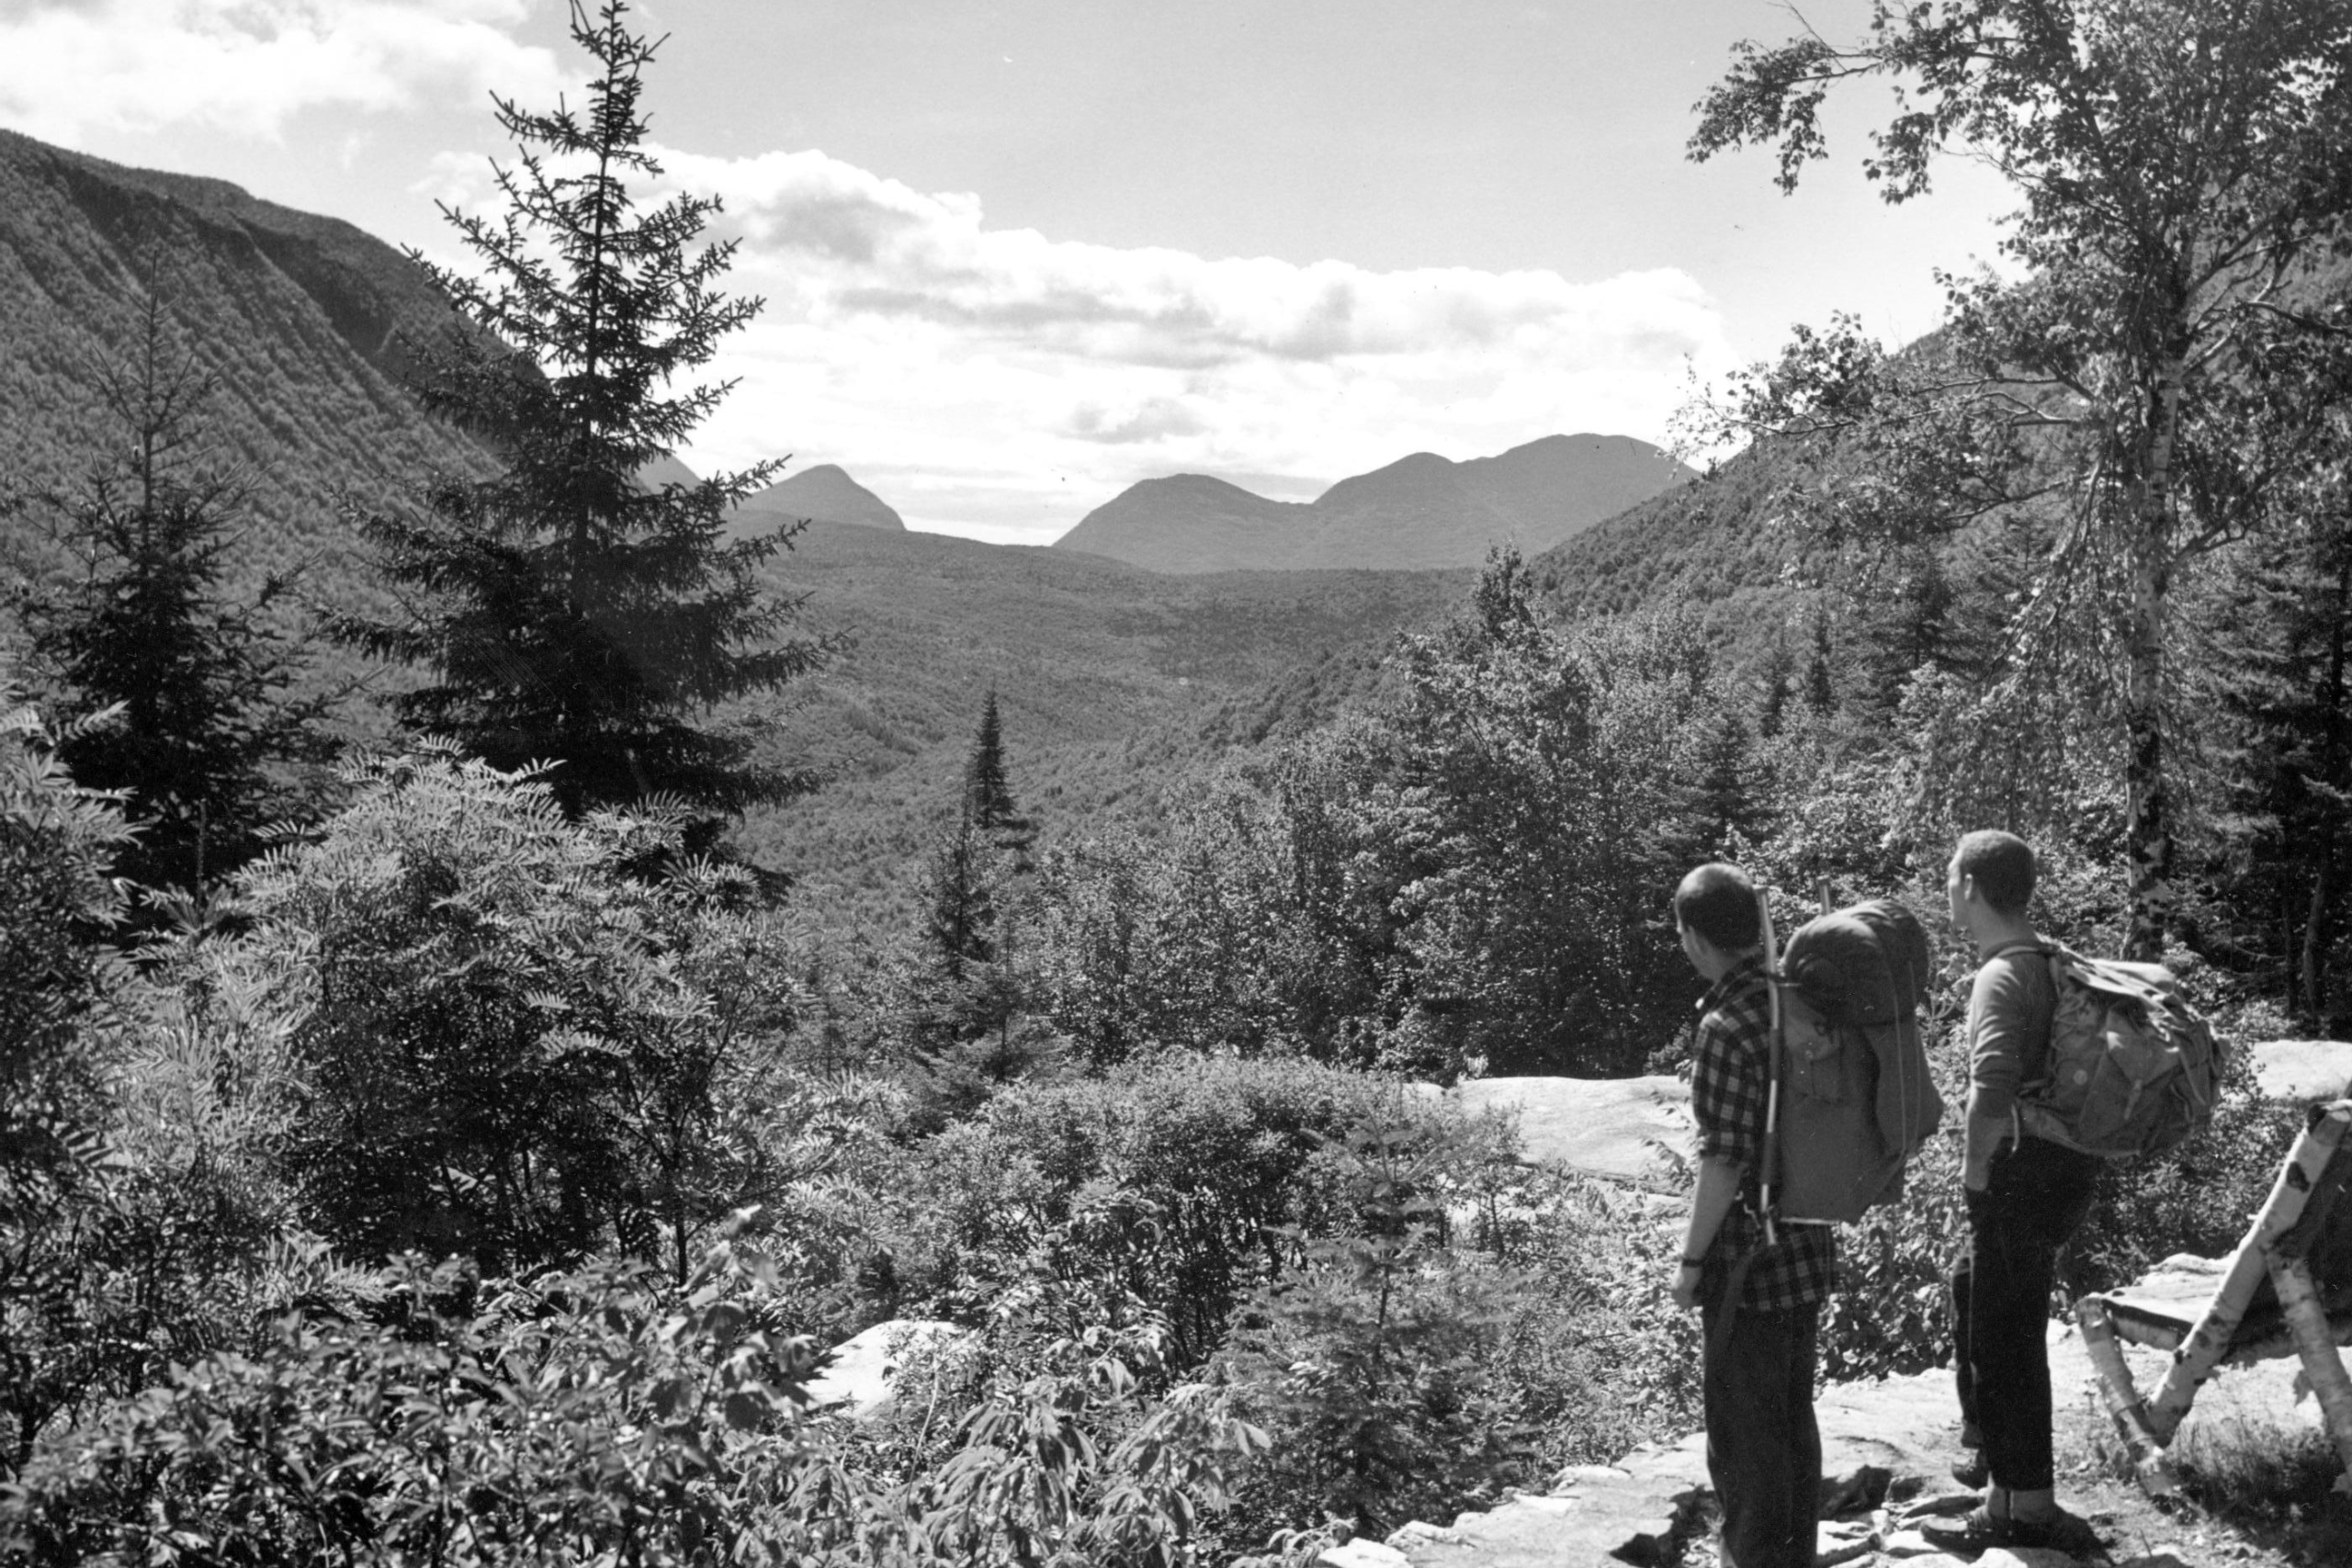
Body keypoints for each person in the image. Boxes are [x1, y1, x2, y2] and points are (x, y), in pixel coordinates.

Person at [1926, 829, 2102, 1554]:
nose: (1946, 890)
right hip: (2065, 1166)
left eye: (1949, 878)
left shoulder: (2001, 976)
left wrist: (1972, 1171)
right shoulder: (2053, 960)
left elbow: (1989, 1089)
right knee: (1987, 1305)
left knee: (2008, 1337)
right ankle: (2006, 1486)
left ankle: (2026, 1509)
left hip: (2020, 1170)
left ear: (1970, 885)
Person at [1670, 862, 1835, 1568]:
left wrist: (1689, 1262)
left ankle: (1758, 1559)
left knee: (1744, 1436)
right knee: (1794, 1420)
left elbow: (1725, 1160)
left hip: (1749, 1266)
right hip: (1807, 1249)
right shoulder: (1795, 1003)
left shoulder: (1725, 1025)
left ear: (1697, 938)